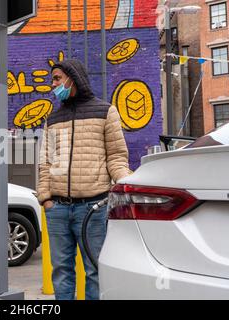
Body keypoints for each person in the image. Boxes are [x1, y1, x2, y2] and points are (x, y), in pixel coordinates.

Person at [37, 59, 131, 300]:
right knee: (61, 272)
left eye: (57, 79)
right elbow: (46, 162)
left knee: (94, 271)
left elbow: (117, 157)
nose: (53, 84)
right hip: (57, 209)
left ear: (73, 78)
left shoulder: (105, 111)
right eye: (53, 79)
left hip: (93, 209)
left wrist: (126, 183)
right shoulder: (53, 119)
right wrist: (46, 198)